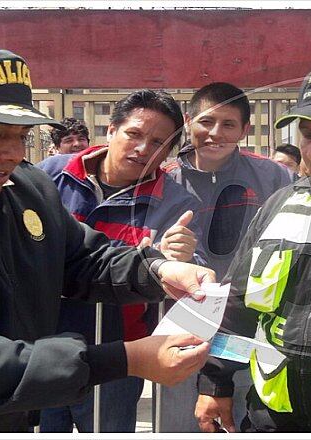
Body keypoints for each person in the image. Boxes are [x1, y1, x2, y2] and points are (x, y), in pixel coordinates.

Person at [0, 41, 213, 433]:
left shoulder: (27, 188)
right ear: (111, 129)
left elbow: (84, 258)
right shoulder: (51, 173)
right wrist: (122, 360)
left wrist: (158, 270)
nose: (13, 153)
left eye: (21, 136)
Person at [194, 59, 311, 433]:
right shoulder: (281, 203)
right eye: (308, 133)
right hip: (268, 418)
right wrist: (215, 383)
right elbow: (237, 302)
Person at [36, 90, 206, 433]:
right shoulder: (48, 175)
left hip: (117, 355)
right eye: (134, 134)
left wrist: (181, 256)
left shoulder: (176, 200)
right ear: (111, 130)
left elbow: (186, 268)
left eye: (159, 142)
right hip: (40, 347)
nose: (144, 149)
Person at [162, 82, 292, 432]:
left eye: (228, 124)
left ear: (245, 130)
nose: (215, 133)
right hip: (181, 323)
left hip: (247, 325)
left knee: (242, 420)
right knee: (181, 422)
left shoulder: (274, 177)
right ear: (188, 121)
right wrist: (164, 252)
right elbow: (140, 250)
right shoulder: (163, 179)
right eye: (206, 121)